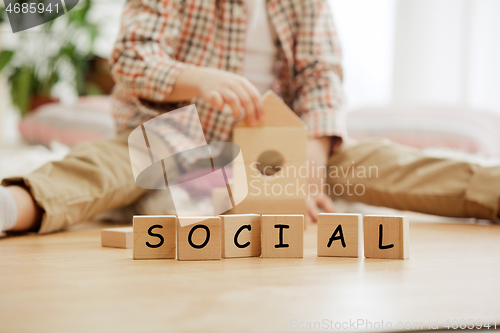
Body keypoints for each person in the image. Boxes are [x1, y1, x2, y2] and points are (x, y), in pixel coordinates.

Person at [1, 0, 499, 235]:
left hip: (281, 143)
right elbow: (132, 57)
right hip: (179, 135)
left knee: (384, 163)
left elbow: (321, 76)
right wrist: (199, 80)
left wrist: (309, 161)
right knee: (109, 165)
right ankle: (16, 204)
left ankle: (490, 189)